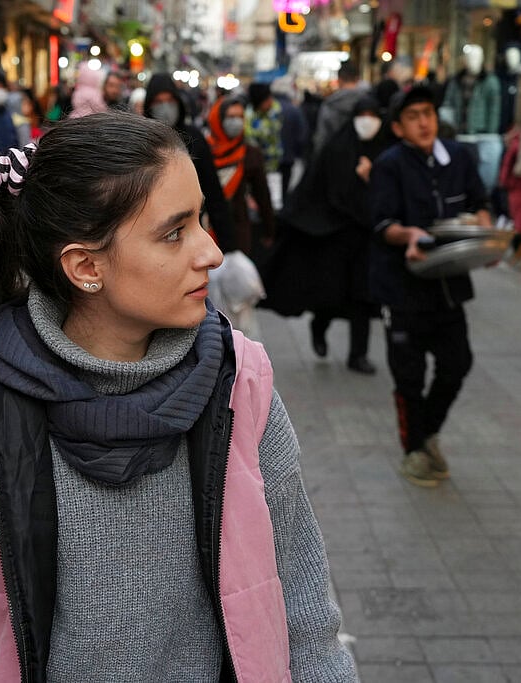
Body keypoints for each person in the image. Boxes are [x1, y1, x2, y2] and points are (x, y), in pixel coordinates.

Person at [0, 111, 358, 682]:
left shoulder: (239, 385)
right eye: (174, 233)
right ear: (85, 266)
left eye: (200, 219)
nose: (211, 253)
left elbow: (305, 613)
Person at [368, 85, 491, 487]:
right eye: (414, 116)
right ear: (398, 127)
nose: (424, 122)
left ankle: (428, 434)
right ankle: (414, 451)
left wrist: (487, 232)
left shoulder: (458, 157)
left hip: (448, 284)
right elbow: (381, 224)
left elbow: (479, 203)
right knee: (409, 375)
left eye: (429, 113)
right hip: (402, 287)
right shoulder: (389, 165)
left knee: (458, 363)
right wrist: (408, 235)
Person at [279, 95, 391, 375]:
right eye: (363, 115)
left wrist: (372, 179)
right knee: (332, 292)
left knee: (362, 295)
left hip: (367, 237)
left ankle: (358, 354)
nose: (368, 122)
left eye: (373, 115)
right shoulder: (338, 147)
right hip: (336, 233)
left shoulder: (385, 151)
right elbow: (320, 188)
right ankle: (320, 325)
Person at [144, 73, 235, 252]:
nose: (165, 107)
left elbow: (213, 193)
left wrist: (229, 246)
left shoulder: (194, 138)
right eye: (158, 102)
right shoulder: (141, 142)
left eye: (169, 101)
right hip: (153, 238)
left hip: (190, 234)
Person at [205, 95, 275, 256]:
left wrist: (269, 230)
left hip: (237, 228)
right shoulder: (203, 150)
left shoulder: (250, 154)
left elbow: (262, 195)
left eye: (239, 117)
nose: (236, 122)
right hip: (206, 227)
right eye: (230, 117)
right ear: (217, 119)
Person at [313, 60, 370, 157]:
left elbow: (322, 137)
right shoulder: (368, 102)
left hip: (335, 157)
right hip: (363, 158)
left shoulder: (330, 104)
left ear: (339, 80)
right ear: (358, 79)